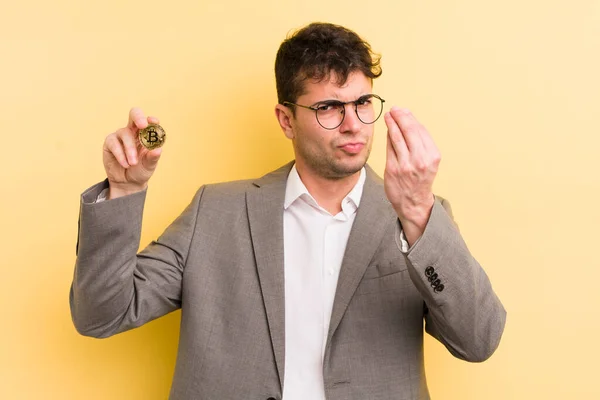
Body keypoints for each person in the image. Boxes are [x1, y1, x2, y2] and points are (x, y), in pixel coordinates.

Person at [70, 22, 506, 400]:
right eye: (329, 107)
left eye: (362, 103)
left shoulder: (419, 218)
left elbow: (479, 339)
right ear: (285, 120)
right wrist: (124, 191)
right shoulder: (216, 212)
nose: (353, 123)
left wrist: (416, 212)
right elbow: (101, 314)